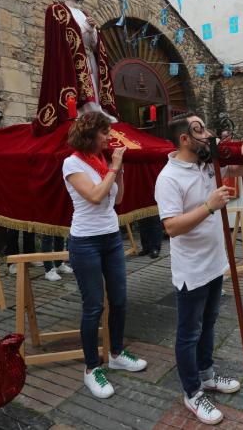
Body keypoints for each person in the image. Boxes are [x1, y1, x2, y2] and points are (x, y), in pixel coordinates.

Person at [155, 113, 243, 425]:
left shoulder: (206, 163)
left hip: (215, 262)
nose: (210, 135)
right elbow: (171, 227)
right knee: (189, 332)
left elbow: (238, 168)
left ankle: (207, 374)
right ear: (185, 139)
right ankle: (192, 391)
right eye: (201, 130)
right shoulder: (168, 177)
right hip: (191, 269)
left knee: (209, 323)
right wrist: (209, 206)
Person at [63, 112, 147, 399]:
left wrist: (118, 172)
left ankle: (116, 353)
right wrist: (114, 167)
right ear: (89, 134)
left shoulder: (102, 162)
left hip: (111, 238)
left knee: (120, 300)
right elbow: (95, 196)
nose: (108, 138)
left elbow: (118, 199)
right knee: (94, 306)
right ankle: (90, 368)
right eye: (104, 133)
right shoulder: (72, 163)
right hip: (85, 242)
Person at [33, 0, 118, 135]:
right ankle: (81, 112)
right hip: (68, 59)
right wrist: (86, 27)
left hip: (88, 56)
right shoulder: (56, 10)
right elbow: (60, 37)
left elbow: (94, 44)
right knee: (77, 84)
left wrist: (92, 31)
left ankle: (97, 111)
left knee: (93, 83)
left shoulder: (84, 13)